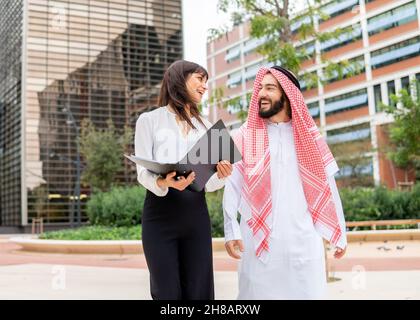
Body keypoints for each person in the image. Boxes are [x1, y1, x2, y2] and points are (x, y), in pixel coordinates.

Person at [223, 66, 347, 299]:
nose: (261, 94)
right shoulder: (244, 135)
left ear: (288, 95)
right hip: (259, 246)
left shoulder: (310, 138)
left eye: (270, 88)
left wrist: (339, 231)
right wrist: (230, 229)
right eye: (260, 88)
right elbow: (231, 184)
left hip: (303, 244)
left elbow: (328, 187)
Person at [135, 60, 233, 300]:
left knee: (199, 290)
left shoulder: (208, 127)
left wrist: (222, 174)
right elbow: (142, 172)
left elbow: (209, 184)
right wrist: (165, 183)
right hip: (160, 215)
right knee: (165, 291)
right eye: (199, 79)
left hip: (196, 215)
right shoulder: (149, 120)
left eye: (206, 81)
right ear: (180, 78)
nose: (204, 86)